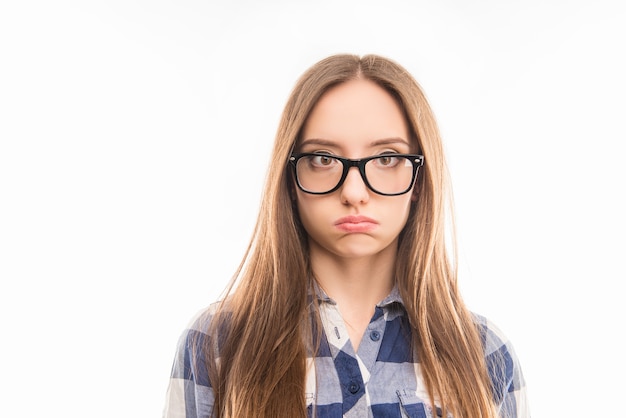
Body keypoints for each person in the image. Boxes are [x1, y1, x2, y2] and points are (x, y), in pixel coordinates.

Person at [162, 53, 529, 418]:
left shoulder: (484, 355)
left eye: (387, 158)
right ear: (290, 178)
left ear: (419, 178)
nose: (354, 192)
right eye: (322, 158)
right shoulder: (214, 346)